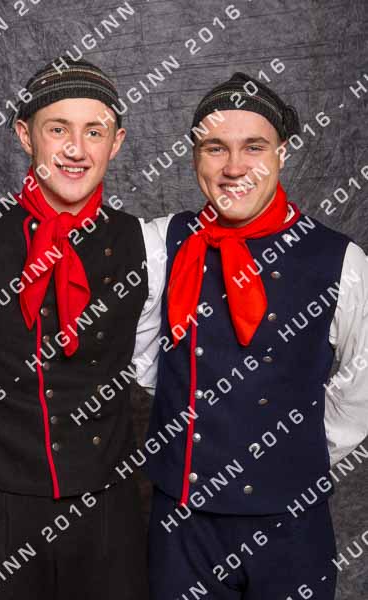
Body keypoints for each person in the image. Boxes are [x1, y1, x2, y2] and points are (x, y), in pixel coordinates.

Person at [0, 55, 166, 600]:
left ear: (117, 142)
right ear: (24, 135)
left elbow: (158, 368)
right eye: (58, 129)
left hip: (109, 518)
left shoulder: (147, 246)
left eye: (94, 132)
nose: (76, 149)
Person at [144, 73, 368, 599]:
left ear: (282, 154)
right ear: (195, 157)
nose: (234, 167)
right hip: (183, 525)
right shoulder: (158, 242)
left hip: (293, 524)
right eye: (215, 148)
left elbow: (362, 388)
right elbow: (77, 255)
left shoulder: (341, 260)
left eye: (254, 147)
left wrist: (295, 449)